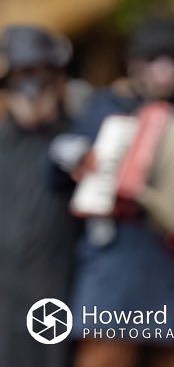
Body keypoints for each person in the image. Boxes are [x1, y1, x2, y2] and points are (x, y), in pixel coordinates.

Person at [49, 17, 174, 367]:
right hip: (117, 266)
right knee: (105, 354)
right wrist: (74, 155)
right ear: (133, 62)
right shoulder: (106, 107)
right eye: (152, 59)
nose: (163, 71)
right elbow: (61, 157)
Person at [0, 26, 80, 367]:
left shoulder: (79, 143)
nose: (32, 87)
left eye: (41, 73)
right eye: (22, 74)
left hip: (58, 297)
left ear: (59, 79)